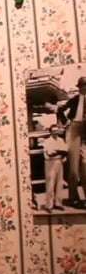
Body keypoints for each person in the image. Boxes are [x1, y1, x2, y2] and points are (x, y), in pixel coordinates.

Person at [56, 76, 86, 208]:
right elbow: (60, 109)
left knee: (84, 165)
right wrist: (66, 122)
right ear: (79, 87)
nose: (84, 88)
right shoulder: (74, 100)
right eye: (82, 86)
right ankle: (73, 197)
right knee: (73, 166)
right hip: (74, 129)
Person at [41, 124, 68, 212]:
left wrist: (62, 155)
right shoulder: (47, 141)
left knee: (59, 183)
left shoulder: (61, 140)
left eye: (56, 131)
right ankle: (49, 205)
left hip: (59, 162)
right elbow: (49, 153)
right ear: (50, 132)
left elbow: (65, 150)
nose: (55, 132)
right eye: (54, 131)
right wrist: (57, 152)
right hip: (50, 163)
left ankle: (58, 203)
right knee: (50, 184)